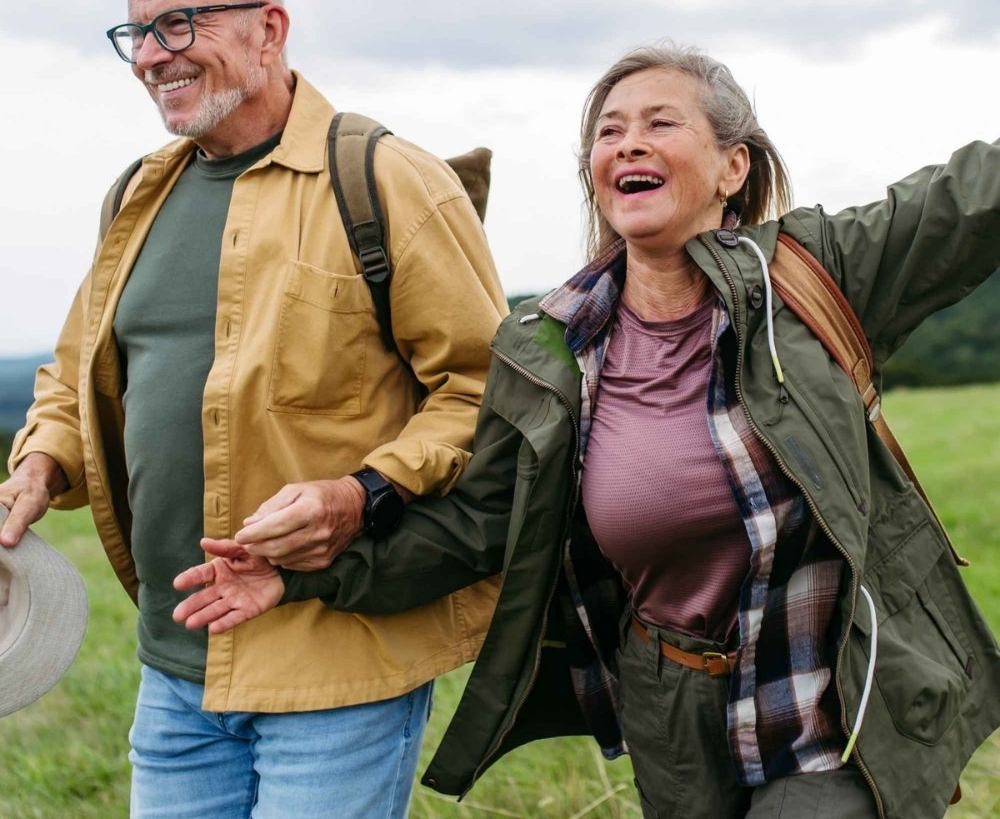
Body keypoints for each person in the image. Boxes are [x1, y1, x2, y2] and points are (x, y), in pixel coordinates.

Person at [204, 43, 1000, 819]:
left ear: (734, 168)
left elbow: (971, 199)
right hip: (671, 706)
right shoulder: (548, 346)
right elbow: (479, 527)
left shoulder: (806, 271)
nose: (629, 145)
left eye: (660, 124)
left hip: (820, 685)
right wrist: (301, 574)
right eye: (609, 131)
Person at [0, 0, 507, 819]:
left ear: (269, 29)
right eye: (137, 34)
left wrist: (363, 492)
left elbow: (484, 390)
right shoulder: (138, 195)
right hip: (174, 665)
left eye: (179, 23)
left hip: (335, 660)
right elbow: (78, 369)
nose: (153, 55)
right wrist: (43, 460)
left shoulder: (386, 177)